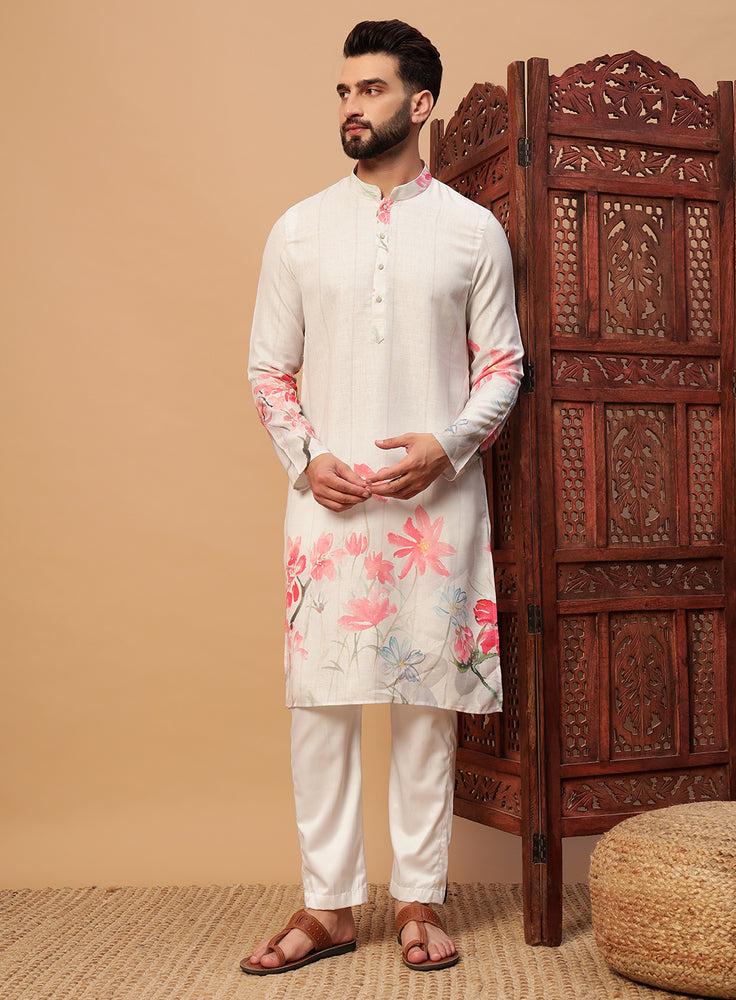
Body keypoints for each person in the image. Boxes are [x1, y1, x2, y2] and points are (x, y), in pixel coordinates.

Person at [241, 19, 524, 975]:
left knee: (425, 702)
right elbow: (268, 368)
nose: (351, 106)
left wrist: (448, 446)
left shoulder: (472, 231)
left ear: (421, 103)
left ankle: (418, 899)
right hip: (329, 504)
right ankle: (327, 906)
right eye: (343, 91)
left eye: (370, 89)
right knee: (321, 706)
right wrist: (305, 456)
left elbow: (504, 364)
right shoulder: (299, 228)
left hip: (435, 509)